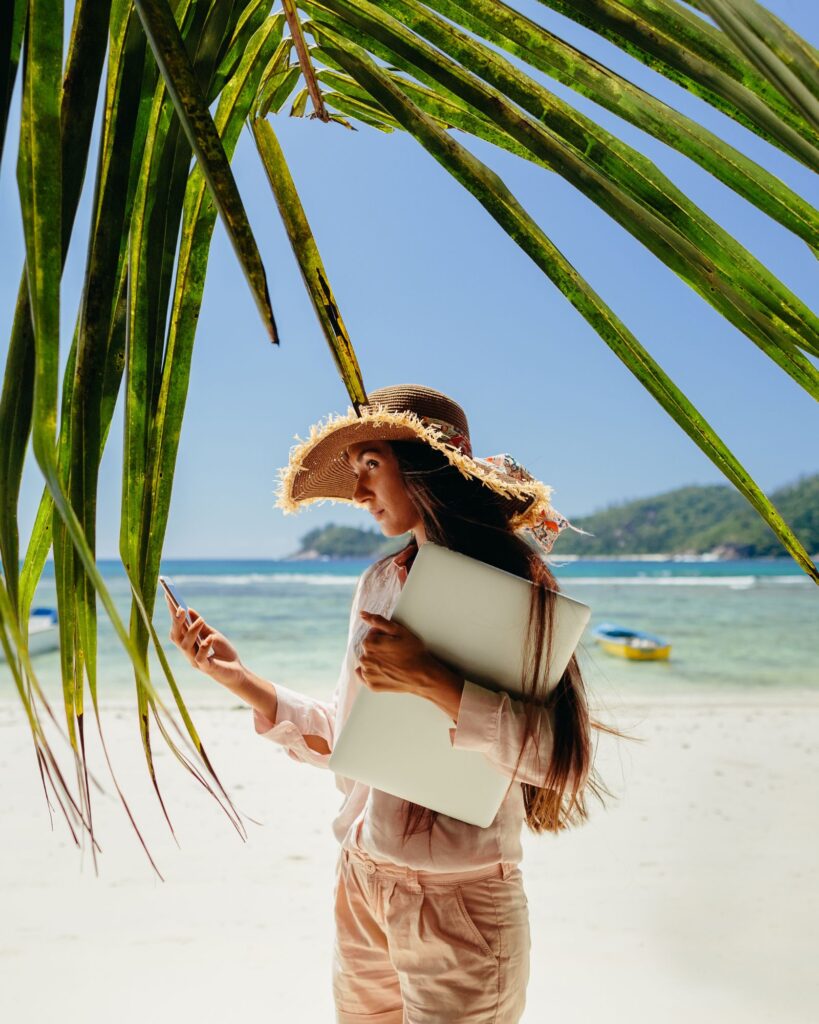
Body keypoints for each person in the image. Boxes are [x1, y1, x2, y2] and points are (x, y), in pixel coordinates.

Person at [165, 384, 610, 1024]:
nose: (357, 492)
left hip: (462, 904)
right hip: (361, 882)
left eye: (370, 464)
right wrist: (239, 679)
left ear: (425, 468)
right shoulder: (378, 582)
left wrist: (433, 681)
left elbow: (559, 761)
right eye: (354, 472)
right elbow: (356, 748)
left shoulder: (517, 593)